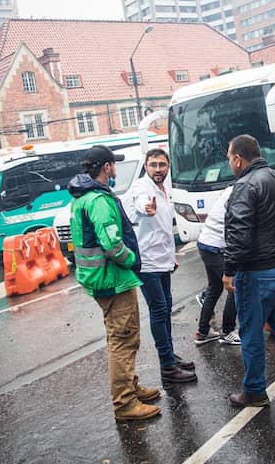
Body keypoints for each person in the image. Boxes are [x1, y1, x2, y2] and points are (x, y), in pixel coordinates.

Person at [69, 145, 160, 422]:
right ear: (106, 167)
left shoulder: (82, 198)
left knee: (120, 336)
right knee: (123, 339)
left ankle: (131, 388)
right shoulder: (98, 200)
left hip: (101, 278)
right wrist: (131, 259)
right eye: (113, 165)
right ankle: (125, 403)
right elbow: (111, 243)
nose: (115, 170)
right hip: (112, 279)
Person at [222, 135, 275, 408]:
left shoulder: (245, 186)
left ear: (238, 158)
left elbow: (239, 234)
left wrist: (229, 270)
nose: (230, 164)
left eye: (229, 158)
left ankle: (255, 391)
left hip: (257, 272)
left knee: (251, 332)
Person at [125, 148, 197, 384]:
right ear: (146, 166)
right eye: (153, 165)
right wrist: (147, 209)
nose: (158, 169)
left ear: (168, 167)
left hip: (162, 259)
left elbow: (164, 229)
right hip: (147, 262)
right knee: (158, 310)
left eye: (162, 165)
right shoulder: (142, 189)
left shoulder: (164, 191)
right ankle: (167, 366)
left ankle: (170, 356)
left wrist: (172, 256)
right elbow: (141, 204)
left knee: (166, 308)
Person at [193, 185, 239, 346]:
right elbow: (235, 227)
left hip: (205, 242)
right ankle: (227, 331)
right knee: (234, 286)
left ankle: (203, 332)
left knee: (215, 287)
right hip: (216, 246)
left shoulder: (232, 189)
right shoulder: (240, 192)